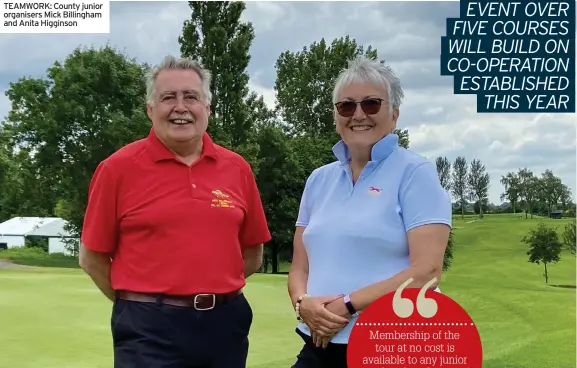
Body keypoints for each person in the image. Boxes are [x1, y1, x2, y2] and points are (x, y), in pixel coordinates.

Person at [79, 55, 271, 368]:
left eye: (191, 97)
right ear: (150, 109)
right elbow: (92, 258)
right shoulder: (117, 169)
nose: (180, 107)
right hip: (147, 328)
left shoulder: (237, 168)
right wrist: (141, 305)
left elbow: (252, 254)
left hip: (226, 324)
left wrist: (208, 293)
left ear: (207, 108)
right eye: (168, 97)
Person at [287, 57, 452, 368]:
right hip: (320, 342)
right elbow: (300, 268)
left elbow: (427, 272)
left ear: (394, 115)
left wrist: (346, 306)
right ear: (336, 116)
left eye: (372, 104)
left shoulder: (416, 173)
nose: (359, 114)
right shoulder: (318, 180)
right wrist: (301, 303)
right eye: (347, 106)